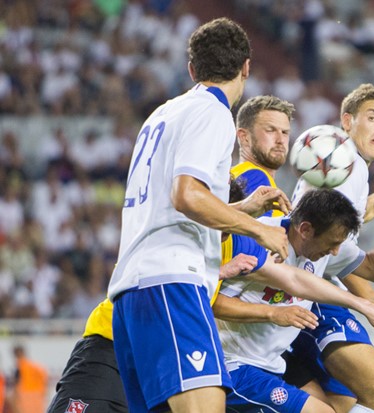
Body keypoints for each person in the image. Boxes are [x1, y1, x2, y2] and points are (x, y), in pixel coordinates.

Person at [107, 17, 291, 413]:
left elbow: (172, 205)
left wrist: (239, 208)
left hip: (131, 290)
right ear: (246, 67)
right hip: (172, 283)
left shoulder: (163, 114)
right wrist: (257, 229)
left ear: (192, 69)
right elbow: (187, 195)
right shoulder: (213, 113)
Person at [46, 179, 294, 413]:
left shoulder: (216, 255)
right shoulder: (169, 229)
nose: (225, 236)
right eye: (225, 224)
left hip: (157, 366)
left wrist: (218, 272)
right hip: (109, 350)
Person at [215, 188, 374, 412]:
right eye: (332, 243)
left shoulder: (323, 247)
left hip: (272, 364)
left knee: (360, 401)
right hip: (233, 365)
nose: (336, 251)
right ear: (305, 229)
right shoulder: (258, 238)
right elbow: (213, 303)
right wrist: (272, 313)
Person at [288, 83, 374, 413]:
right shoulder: (349, 167)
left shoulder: (345, 169)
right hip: (310, 296)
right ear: (347, 121)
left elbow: (352, 258)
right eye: (372, 118)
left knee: (339, 403)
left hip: (302, 293)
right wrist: (370, 305)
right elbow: (330, 256)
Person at [231, 94, 295, 217]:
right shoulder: (255, 178)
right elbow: (255, 235)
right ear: (244, 137)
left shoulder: (237, 176)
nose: (280, 140)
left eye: (285, 132)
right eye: (270, 130)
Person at [9, 345, 48, 413]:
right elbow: (45, 382)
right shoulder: (38, 367)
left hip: (24, 401)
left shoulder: (19, 367)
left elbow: (16, 384)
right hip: (38, 400)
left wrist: (14, 400)